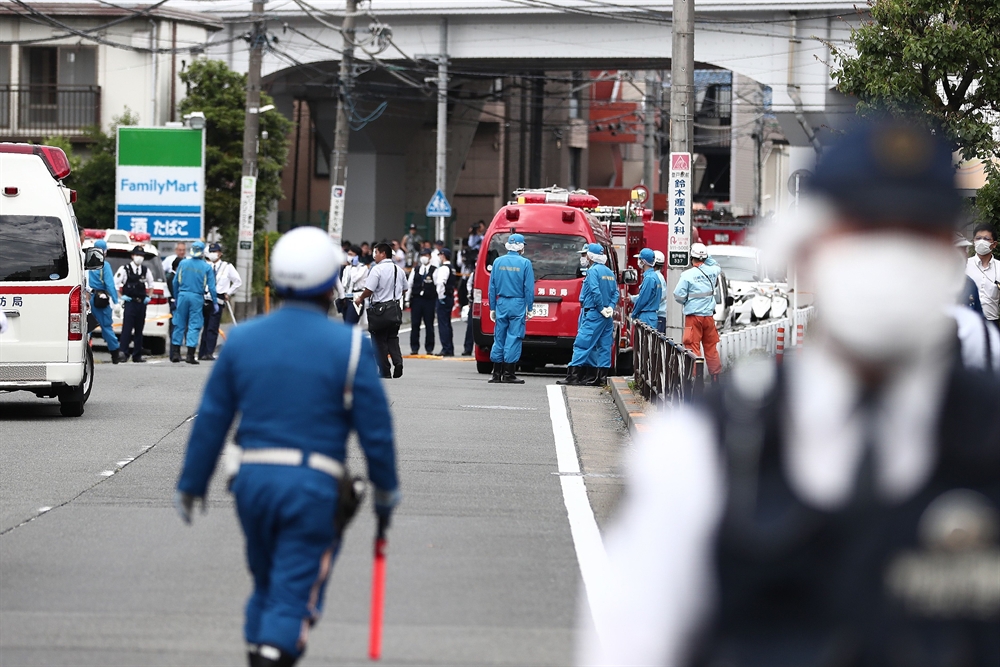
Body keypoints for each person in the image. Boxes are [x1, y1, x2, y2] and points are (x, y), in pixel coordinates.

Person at [577, 120, 1000, 667]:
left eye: (918, 234)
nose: (892, 257)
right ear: (808, 249)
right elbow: (627, 647)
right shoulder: (701, 447)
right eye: (863, 229)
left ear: (950, 256)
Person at [174, 227, 400, 667]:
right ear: (329, 281)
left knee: (266, 581)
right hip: (312, 487)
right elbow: (376, 432)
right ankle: (271, 654)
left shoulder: (242, 341)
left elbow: (212, 422)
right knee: (294, 589)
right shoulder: (350, 346)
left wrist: (191, 484)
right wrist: (386, 491)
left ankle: (259, 646)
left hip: (251, 484)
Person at [558, 244, 618, 386]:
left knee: (582, 344)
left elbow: (595, 291)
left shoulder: (593, 271)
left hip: (593, 313)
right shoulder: (609, 272)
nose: (583, 258)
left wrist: (600, 307)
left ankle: (573, 376)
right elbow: (615, 292)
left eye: (585, 255)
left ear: (591, 256)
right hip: (606, 316)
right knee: (604, 346)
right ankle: (601, 378)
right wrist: (610, 307)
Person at [488, 233, 535, 384]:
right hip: (517, 304)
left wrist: (492, 307)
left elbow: (492, 287)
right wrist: (530, 306)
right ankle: (509, 373)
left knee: (499, 336)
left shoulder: (498, 262)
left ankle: (496, 373)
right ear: (521, 247)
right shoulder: (525, 263)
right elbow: (528, 288)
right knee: (514, 337)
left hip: (501, 302)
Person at [355, 243, 407, 378]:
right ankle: (398, 362)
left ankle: (385, 370)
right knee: (392, 338)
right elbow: (405, 288)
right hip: (395, 309)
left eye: (376, 252)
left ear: (383, 253)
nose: (374, 255)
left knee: (379, 341)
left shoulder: (377, 269)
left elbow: (369, 289)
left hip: (380, 310)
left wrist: (360, 298)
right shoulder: (398, 270)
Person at [673, 242, 724, 379]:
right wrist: (707, 255)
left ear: (691, 258)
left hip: (693, 317)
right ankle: (715, 378)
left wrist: (686, 302)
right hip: (708, 317)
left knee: (692, 348)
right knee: (711, 348)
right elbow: (716, 265)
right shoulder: (713, 271)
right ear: (705, 258)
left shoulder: (687, 275)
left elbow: (678, 295)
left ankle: (695, 379)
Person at [171, 240, 217, 365]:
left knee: (179, 323)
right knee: (194, 325)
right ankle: (190, 355)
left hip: (182, 295)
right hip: (197, 297)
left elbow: (175, 282)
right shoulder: (206, 267)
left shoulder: (183, 263)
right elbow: (212, 287)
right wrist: (215, 302)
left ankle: (176, 352)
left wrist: (176, 297)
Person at [199, 243, 242, 361]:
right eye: (212, 251)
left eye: (216, 251)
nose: (214, 254)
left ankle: (209, 352)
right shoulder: (205, 265)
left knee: (213, 327)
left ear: (220, 253)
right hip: (205, 298)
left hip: (218, 298)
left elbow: (238, 281)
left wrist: (228, 293)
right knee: (205, 326)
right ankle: (201, 352)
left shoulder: (227, 266)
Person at [114, 245, 155, 362]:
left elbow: (151, 285)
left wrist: (149, 297)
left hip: (141, 303)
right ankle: (123, 353)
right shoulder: (125, 269)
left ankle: (137, 355)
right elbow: (115, 284)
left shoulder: (145, 270)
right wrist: (122, 297)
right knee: (127, 329)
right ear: (132, 256)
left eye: (141, 256)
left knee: (139, 329)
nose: (139, 258)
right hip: (130, 302)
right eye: (137, 255)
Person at [88, 239, 123, 364]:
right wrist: (116, 301)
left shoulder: (86, 263)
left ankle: (85, 354)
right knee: (106, 327)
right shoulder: (104, 265)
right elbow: (109, 284)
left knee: (87, 327)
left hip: (86, 298)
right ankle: (115, 354)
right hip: (100, 299)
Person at [966, 223, 998, 330]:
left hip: (992, 323)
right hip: (969, 323)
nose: (981, 241)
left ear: (994, 244)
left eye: (986, 238)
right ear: (974, 242)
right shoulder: (965, 265)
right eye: (978, 238)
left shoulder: (999, 267)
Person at [406, 248, 437, 354]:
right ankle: (414, 348)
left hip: (429, 300)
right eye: (422, 255)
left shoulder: (434, 270)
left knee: (429, 325)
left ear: (430, 257)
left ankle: (429, 348)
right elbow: (409, 285)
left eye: (426, 255)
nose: (424, 257)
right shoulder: (416, 269)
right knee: (415, 324)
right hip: (417, 300)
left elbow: (437, 286)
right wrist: (407, 299)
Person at [629, 248, 662, 330]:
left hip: (645, 317)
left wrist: (633, 314)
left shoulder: (649, 278)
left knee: (644, 342)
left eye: (639, 259)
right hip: (651, 316)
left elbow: (642, 300)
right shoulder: (655, 277)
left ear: (643, 262)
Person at [434, 247, 457, 357]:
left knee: (443, 324)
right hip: (450, 296)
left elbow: (440, 283)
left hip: (444, 297)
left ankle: (446, 348)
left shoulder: (444, 268)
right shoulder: (452, 268)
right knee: (447, 323)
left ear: (443, 255)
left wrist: (440, 296)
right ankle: (450, 348)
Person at [339, 246, 369, 326]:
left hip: (357, 297)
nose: (348, 256)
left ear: (357, 256)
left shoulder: (363, 268)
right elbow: (343, 283)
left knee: (350, 323)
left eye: (351, 254)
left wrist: (355, 266)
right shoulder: (347, 268)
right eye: (348, 254)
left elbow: (354, 278)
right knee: (346, 323)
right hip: (346, 297)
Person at [955, 234, 983, 313]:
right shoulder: (934, 284)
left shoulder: (969, 283)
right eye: (960, 250)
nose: (964, 255)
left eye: (965, 250)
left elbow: (979, 315)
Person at [653, 250, 669, 333]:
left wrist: (633, 298)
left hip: (659, 315)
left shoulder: (655, 277)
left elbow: (656, 297)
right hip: (660, 315)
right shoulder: (659, 276)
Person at [462, 270, 476, 356]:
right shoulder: (473, 273)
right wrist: (470, 295)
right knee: (471, 326)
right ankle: (468, 348)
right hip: (475, 301)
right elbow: (469, 284)